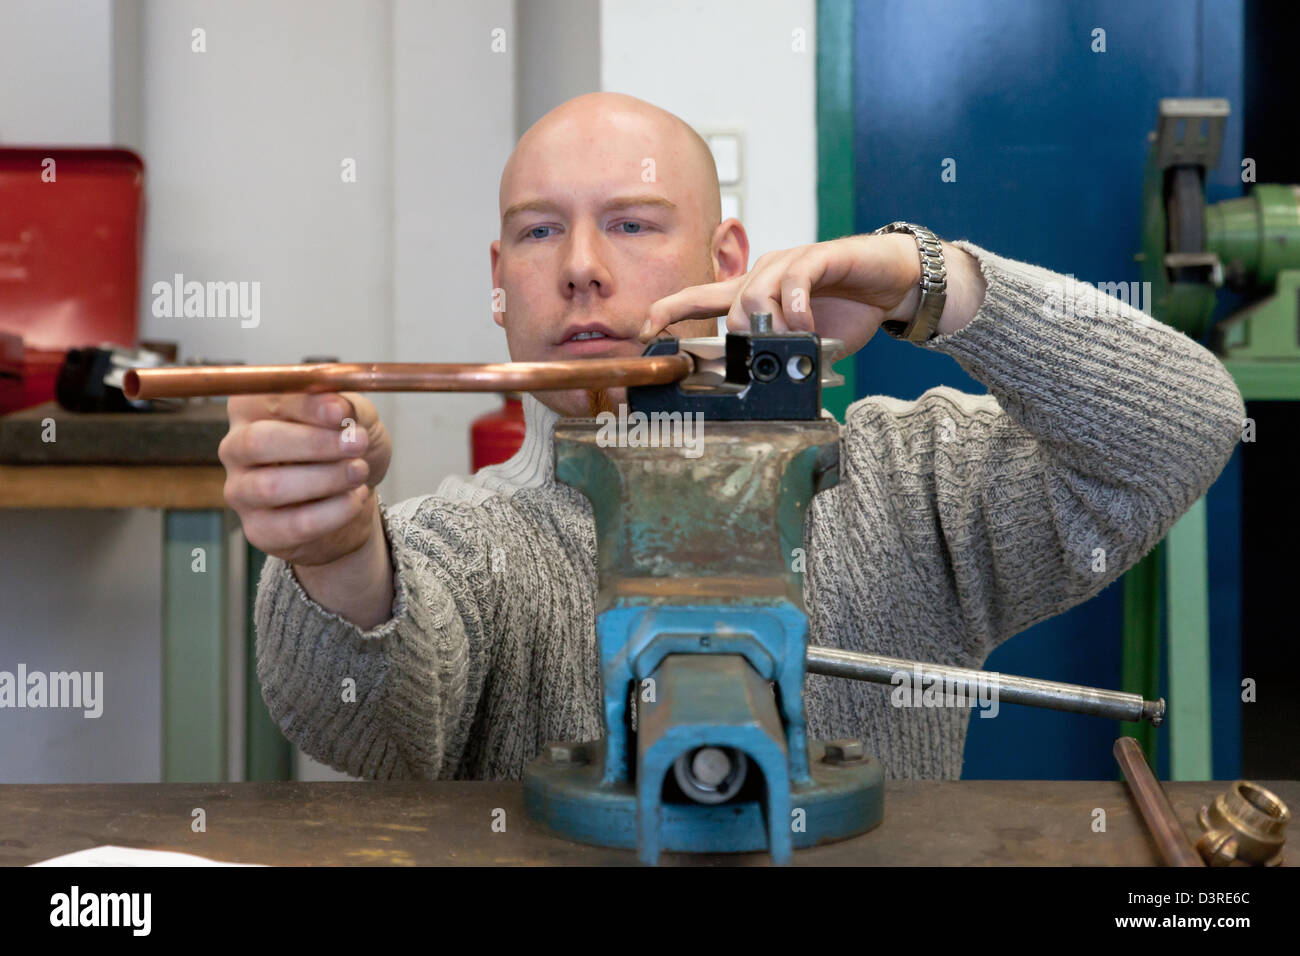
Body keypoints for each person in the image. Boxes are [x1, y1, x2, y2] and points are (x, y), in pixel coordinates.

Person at [219, 93, 1243, 780]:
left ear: (728, 256)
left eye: (631, 223)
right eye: (539, 231)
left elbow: (1188, 423)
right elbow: (361, 722)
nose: (580, 266)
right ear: (499, 283)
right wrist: (339, 557)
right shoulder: (468, 543)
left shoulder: (897, 482)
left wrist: (931, 282)